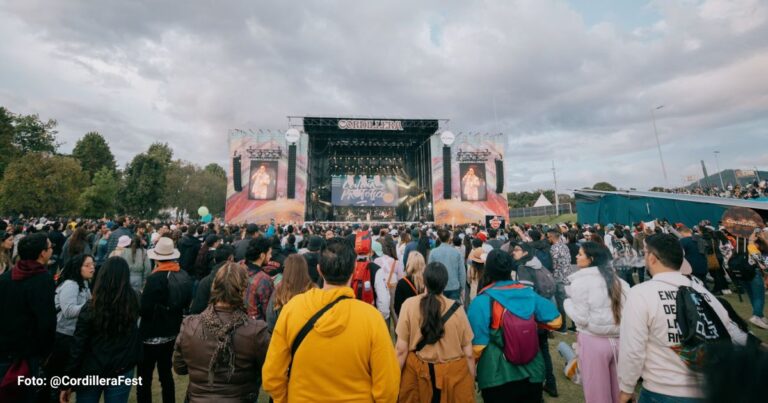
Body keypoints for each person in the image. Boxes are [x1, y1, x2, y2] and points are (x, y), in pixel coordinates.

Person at [262, 238, 400, 402]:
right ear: (353, 271)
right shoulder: (371, 318)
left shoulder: (293, 309)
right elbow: (388, 387)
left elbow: (272, 376)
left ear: (319, 270)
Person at [618, 234, 748, 403]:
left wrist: (627, 388)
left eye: (645, 252)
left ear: (652, 258)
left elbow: (632, 349)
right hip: (708, 388)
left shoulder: (641, 293)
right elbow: (728, 331)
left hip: (663, 391)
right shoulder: (704, 293)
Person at [468, 250, 562, 403]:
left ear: (488, 270)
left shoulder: (481, 301)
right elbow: (556, 321)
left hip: (496, 375)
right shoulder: (528, 293)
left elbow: (477, 347)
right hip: (533, 372)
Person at [173, 262, 271, 402]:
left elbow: (180, 367)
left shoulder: (190, 324)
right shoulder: (256, 330)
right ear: (243, 291)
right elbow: (267, 371)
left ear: (214, 287)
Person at [59, 256, 142, 403]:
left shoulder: (96, 306)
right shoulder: (130, 302)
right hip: (114, 368)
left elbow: (79, 345)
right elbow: (79, 344)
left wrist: (68, 379)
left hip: (101, 368)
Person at [396, 262, 475, 402]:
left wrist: (394, 380)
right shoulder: (458, 310)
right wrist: (471, 380)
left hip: (419, 378)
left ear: (424, 280)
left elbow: (401, 350)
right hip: (452, 379)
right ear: (445, 283)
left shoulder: (409, 305)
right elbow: (468, 353)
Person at [564, 242, 629, 403]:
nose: (576, 257)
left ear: (591, 259)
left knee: (597, 393)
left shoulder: (581, 283)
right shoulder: (620, 282)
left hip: (593, 341)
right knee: (619, 390)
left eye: (580, 254)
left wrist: (567, 303)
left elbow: (581, 318)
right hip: (620, 341)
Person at [0, 233, 56, 402]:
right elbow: (46, 321)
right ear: (42, 253)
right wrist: (46, 353)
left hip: (5, 350)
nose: (51, 250)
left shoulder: (6, 278)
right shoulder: (42, 279)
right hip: (27, 354)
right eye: (49, 247)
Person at [138, 237, 192, 403]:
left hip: (151, 335)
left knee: (144, 378)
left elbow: (145, 309)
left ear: (156, 258)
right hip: (171, 332)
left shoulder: (156, 278)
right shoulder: (182, 274)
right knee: (166, 374)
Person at [511, 242, 559, 397]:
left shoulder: (524, 268)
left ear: (525, 253)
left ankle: (535, 384)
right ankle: (550, 383)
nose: (513, 252)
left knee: (534, 353)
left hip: (532, 317)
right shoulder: (538, 265)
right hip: (543, 314)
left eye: (517, 250)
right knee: (544, 350)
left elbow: (526, 295)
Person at [47, 254, 95, 402]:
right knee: (59, 377)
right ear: (77, 267)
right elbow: (68, 311)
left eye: (92, 264)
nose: (92, 267)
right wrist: (92, 306)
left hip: (74, 334)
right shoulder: (71, 284)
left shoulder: (84, 283)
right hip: (63, 336)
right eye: (87, 265)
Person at [266, 254, 316, 331]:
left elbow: (270, 322)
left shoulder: (279, 292)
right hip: (308, 338)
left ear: (286, 270)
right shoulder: (314, 290)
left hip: (284, 337)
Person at [190, 245, 235, 314]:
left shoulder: (205, 281)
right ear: (230, 258)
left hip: (209, 320)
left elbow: (197, 309)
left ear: (214, 259)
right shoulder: (237, 279)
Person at [428, 229, 466, 301]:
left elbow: (430, 271)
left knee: (440, 310)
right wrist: (462, 286)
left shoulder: (433, 252)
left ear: (439, 238)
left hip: (438, 286)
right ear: (449, 239)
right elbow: (462, 271)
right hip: (454, 286)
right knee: (453, 310)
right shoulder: (456, 252)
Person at [244, 237, 275, 321]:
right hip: (258, 326)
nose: (271, 256)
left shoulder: (240, 268)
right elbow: (268, 311)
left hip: (241, 321)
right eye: (269, 253)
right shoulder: (264, 279)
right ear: (262, 255)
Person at [548, 229, 572, 333]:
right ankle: (570, 325)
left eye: (548, 237)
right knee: (566, 301)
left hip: (558, 278)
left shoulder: (554, 248)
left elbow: (552, 264)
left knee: (560, 303)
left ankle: (563, 327)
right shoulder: (565, 246)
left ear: (552, 237)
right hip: (567, 276)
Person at [373, 240, 403, 323]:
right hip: (394, 286)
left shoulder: (376, 261)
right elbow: (401, 278)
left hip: (381, 286)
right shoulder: (396, 262)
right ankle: (397, 331)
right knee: (393, 309)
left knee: (383, 309)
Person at [394, 251, 427, 318]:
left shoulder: (402, 283)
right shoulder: (428, 280)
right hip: (425, 319)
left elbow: (398, 308)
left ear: (409, 263)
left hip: (409, 319)